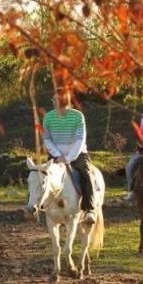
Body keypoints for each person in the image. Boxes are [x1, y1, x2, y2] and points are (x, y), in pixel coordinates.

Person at [42, 89, 97, 223]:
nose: (53, 102)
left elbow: (80, 140)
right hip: (56, 155)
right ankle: (35, 205)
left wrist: (68, 158)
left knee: (86, 173)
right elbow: (46, 139)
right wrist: (57, 155)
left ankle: (90, 209)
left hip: (77, 154)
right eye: (53, 100)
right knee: (40, 173)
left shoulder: (78, 116)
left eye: (56, 100)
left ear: (64, 100)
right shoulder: (48, 117)